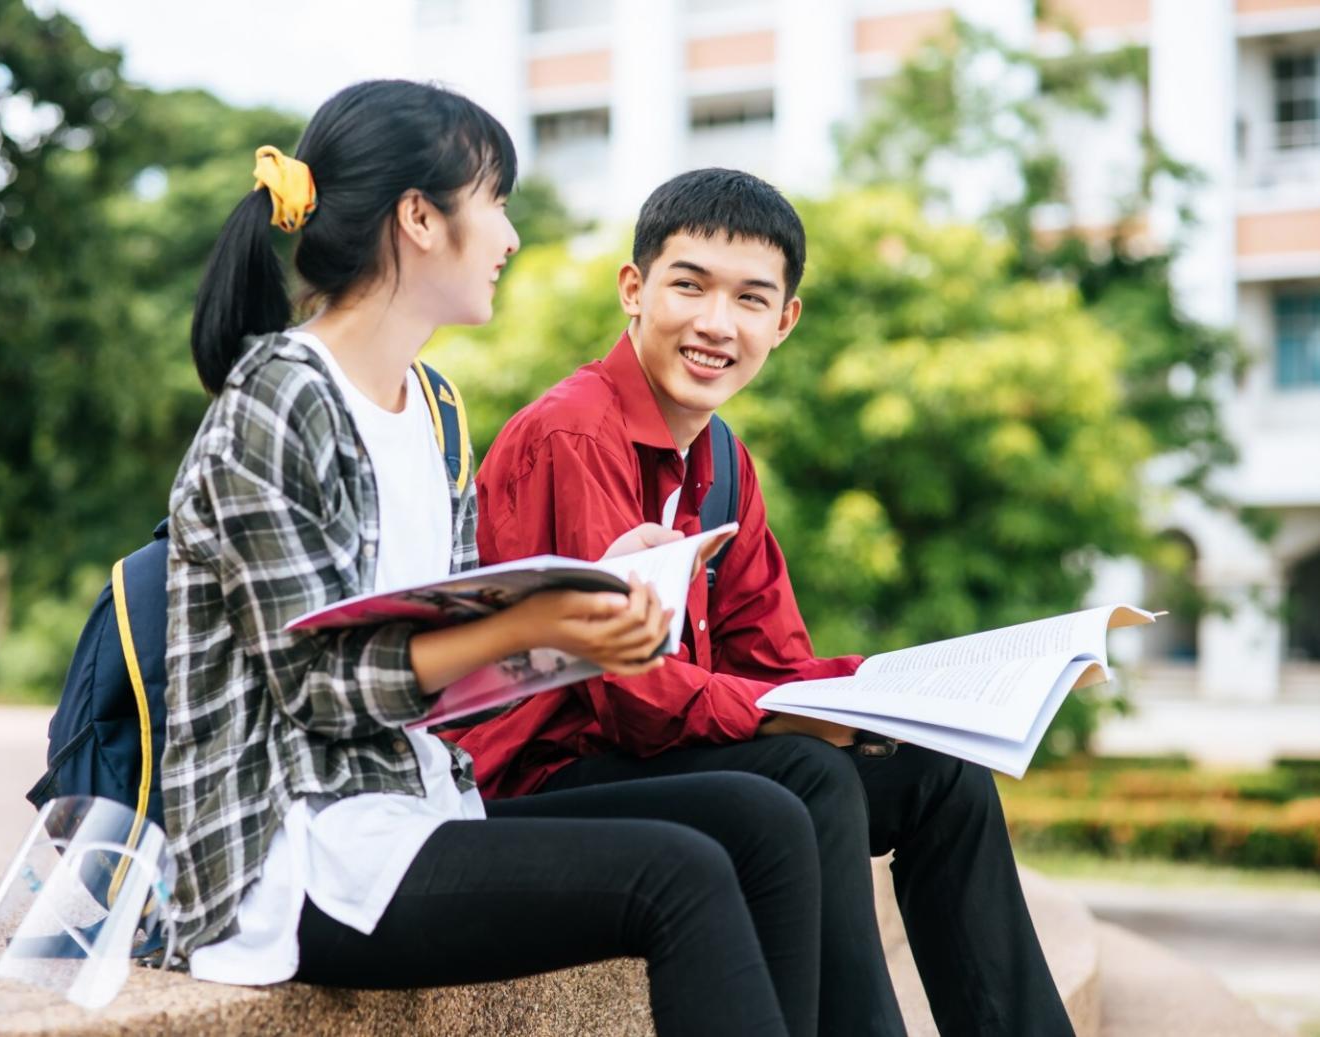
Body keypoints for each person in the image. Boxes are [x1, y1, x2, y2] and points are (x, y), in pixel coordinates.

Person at [162, 83, 823, 1037]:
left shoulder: (431, 406)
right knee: (679, 876)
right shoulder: (281, 399)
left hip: (414, 807)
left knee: (763, 819)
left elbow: (454, 643)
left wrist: (598, 580)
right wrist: (528, 623)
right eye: (496, 203)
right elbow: (320, 690)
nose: (510, 237)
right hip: (294, 850)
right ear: (420, 218)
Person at [449, 168, 1076, 1037]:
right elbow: (626, 701)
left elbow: (775, 664)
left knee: (941, 772)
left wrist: (933, 690)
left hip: (646, 758)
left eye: (751, 298)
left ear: (785, 322)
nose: (716, 323)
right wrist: (804, 720)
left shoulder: (725, 466)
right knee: (807, 771)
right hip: (537, 779)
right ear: (634, 290)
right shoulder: (572, 433)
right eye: (689, 285)